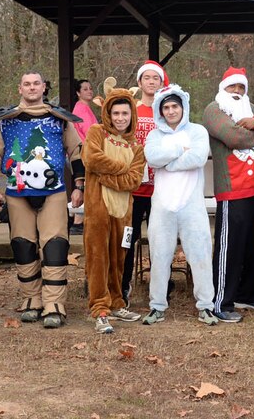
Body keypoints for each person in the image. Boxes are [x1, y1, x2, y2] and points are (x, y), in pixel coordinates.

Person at [0, 71, 84, 328]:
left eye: (36, 83)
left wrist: (80, 184)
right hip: (17, 193)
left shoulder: (59, 118)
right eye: (26, 83)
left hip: (53, 192)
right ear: (19, 88)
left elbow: (76, 150)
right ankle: (31, 299)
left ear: (43, 87)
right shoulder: (4, 121)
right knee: (23, 245)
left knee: (55, 246)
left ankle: (54, 303)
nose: (31, 87)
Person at [204, 67, 254, 322]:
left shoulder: (251, 108)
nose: (237, 92)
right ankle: (222, 301)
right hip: (232, 189)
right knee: (231, 247)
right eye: (232, 87)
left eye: (241, 88)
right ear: (223, 87)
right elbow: (234, 137)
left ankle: (248, 294)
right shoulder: (214, 109)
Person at [141, 84, 218, 326]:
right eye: (166, 107)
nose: (171, 111)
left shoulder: (197, 131)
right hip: (163, 206)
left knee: (200, 255)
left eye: (175, 106)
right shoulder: (155, 135)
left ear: (182, 107)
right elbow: (152, 158)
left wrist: (168, 162)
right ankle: (157, 306)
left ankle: (206, 306)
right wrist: (177, 150)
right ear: (160, 111)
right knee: (159, 256)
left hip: (191, 205)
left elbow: (197, 158)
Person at [82, 78, 146, 334]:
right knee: (98, 258)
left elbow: (134, 180)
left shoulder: (136, 147)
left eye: (125, 113)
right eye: (116, 113)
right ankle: (100, 308)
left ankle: (118, 302)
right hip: (99, 210)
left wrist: (108, 175)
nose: (120, 118)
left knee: (119, 258)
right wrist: (121, 169)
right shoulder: (97, 133)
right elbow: (91, 159)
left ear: (132, 115)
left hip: (124, 213)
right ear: (108, 113)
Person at [123, 60, 168, 305]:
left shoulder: (166, 111)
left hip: (160, 190)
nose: (151, 82)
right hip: (133, 190)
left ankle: (161, 290)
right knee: (128, 240)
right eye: (147, 78)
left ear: (161, 83)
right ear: (139, 83)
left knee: (160, 241)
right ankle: (123, 287)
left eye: (156, 78)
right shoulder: (130, 110)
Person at [70, 78, 99, 234]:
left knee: (85, 186)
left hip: (86, 151)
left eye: (90, 88)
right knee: (84, 186)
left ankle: (79, 221)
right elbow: (90, 133)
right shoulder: (81, 109)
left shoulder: (85, 108)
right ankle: (78, 222)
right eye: (85, 89)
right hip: (83, 152)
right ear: (78, 93)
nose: (89, 91)